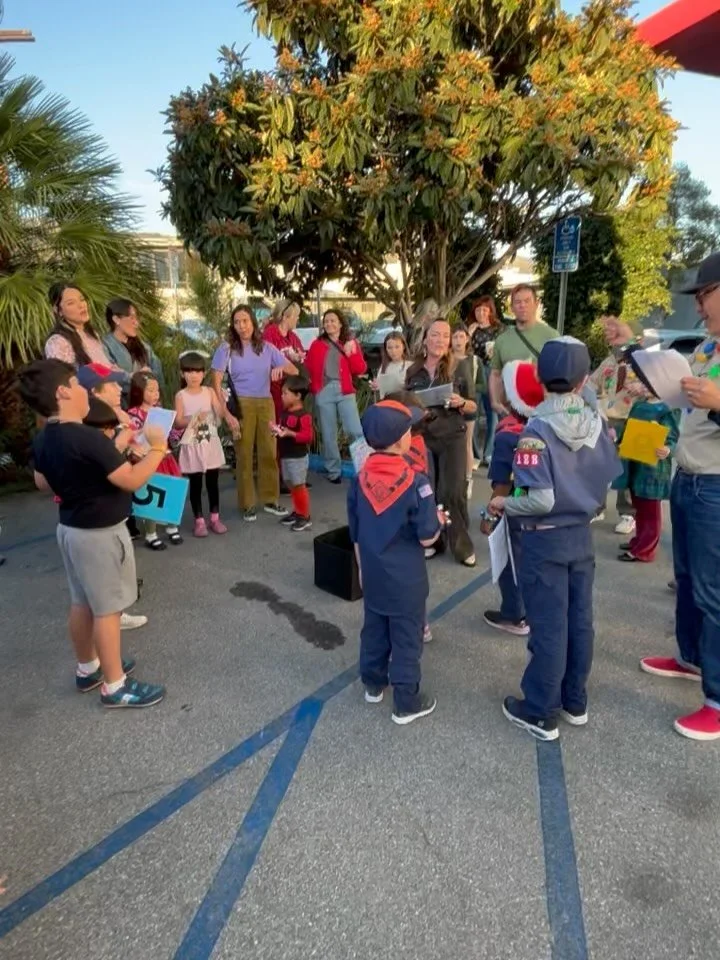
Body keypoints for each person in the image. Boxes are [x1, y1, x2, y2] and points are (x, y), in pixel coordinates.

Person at [488, 337, 621, 741]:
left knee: (548, 625)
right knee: (580, 621)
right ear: (583, 381)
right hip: (581, 537)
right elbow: (607, 478)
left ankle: (540, 709)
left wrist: (503, 503)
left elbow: (539, 498)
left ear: (540, 378)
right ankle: (574, 700)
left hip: (544, 542)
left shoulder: (535, 432)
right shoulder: (598, 424)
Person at [17, 359, 167, 708]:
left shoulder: (46, 437)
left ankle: (89, 668)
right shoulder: (86, 436)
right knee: (108, 609)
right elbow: (130, 479)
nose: (85, 390)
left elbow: (42, 482)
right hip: (100, 534)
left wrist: (109, 450)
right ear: (63, 391)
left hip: (70, 529)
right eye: (78, 383)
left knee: (82, 601)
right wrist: (157, 448)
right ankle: (115, 686)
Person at [639, 252, 720, 740]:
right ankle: (691, 658)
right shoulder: (710, 347)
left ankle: (716, 699)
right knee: (688, 579)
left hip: (715, 485)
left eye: (704, 295)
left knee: (715, 592)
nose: (700, 307)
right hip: (688, 477)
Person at [348, 399, 445, 724]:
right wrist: (439, 520)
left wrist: (362, 570)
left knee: (374, 631)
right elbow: (427, 537)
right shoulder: (416, 482)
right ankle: (406, 701)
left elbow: (357, 533)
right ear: (402, 439)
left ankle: (373, 684)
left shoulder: (359, 480)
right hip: (407, 580)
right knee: (406, 638)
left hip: (372, 573)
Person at [211, 304, 297, 520]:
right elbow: (216, 384)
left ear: (253, 322)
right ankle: (247, 504)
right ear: (233, 325)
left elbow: (294, 370)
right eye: (237, 322)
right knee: (244, 454)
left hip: (266, 403)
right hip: (241, 405)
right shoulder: (226, 349)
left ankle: (270, 500)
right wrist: (227, 415)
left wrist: (280, 368)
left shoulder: (267, 347)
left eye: (245, 321)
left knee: (269, 451)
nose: (241, 326)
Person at [480, 360, 544, 637]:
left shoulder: (509, 435)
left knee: (511, 560)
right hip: (540, 505)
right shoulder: (542, 426)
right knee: (532, 558)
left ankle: (514, 615)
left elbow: (503, 484)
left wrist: (490, 516)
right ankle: (533, 609)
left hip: (515, 506)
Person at [406, 318, 477, 566]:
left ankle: (461, 544)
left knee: (453, 491)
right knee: (428, 491)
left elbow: (473, 405)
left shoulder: (459, 367)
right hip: (424, 437)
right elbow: (407, 405)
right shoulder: (413, 371)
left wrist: (461, 403)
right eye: (435, 335)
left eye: (445, 336)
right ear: (425, 338)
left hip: (452, 437)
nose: (440, 340)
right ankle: (433, 539)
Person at [81, 396, 150, 632]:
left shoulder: (94, 446)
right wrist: (158, 449)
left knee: (99, 592)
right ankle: (110, 667)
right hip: (100, 528)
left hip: (102, 523)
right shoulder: (93, 450)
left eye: (113, 429)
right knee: (105, 599)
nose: (111, 434)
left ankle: (113, 620)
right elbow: (130, 480)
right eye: (107, 430)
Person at [612, 350, 679, 564]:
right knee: (639, 506)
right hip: (635, 463)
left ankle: (646, 549)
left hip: (653, 467)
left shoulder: (667, 408)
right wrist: (617, 439)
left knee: (651, 510)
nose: (640, 384)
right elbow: (628, 429)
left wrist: (667, 448)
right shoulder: (639, 405)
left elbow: (673, 435)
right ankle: (639, 539)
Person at [305, 308, 368, 484]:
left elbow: (360, 369)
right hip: (324, 390)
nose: (329, 324)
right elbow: (308, 367)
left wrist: (352, 352)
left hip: (344, 389)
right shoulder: (317, 345)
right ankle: (334, 471)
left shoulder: (349, 342)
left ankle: (364, 468)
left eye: (333, 320)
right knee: (328, 432)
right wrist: (315, 388)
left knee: (355, 430)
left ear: (340, 323)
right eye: (326, 321)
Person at [589, 315, 638, 535]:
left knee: (624, 468)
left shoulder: (639, 362)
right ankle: (597, 506)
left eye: (617, 336)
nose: (613, 342)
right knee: (600, 465)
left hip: (630, 418)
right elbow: (591, 383)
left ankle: (628, 513)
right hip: (608, 418)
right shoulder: (608, 362)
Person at [127, 372, 184, 550]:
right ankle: (151, 533)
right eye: (150, 390)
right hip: (147, 459)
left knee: (171, 491)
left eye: (157, 390)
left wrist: (178, 433)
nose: (155, 394)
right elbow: (133, 439)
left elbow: (170, 434)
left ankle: (172, 526)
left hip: (165, 457)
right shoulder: (133, 414)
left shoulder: (161, 411)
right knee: (151, 495)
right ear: (138, 391)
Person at [175, 352, 227, 537]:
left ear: (203, 373)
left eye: (197, 371)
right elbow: (178, 421)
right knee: (195, 484)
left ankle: (215, 518)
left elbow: (219, 413)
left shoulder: (209, 391)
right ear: (183, 374)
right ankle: (199, 521)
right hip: (192, 443)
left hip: (210, 441)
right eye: (189, 371)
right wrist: (194, 418)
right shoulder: (181, 395)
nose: (193, 375)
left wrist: (222, 399)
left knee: (213, 483)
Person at [488, 285, 558, 416]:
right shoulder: (502, 340)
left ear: (536, 304)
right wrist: (495, 402)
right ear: (512, 307)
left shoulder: (552, 336)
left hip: (544, 413)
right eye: (518, 302)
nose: (522, 306)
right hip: (511, 414)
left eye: (527, 301)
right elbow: (495, 374)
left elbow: (562, 373)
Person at [273, 375, 314, 532]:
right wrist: (276, 430)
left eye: (285, 394)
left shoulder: (304, 416)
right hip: (286, 456)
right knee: (291, 485)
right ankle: (298, 511)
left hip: (297, 457)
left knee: (299, 486)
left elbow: (308, 436)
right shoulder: (285, 413)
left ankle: (304, 516)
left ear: (297, 396)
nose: (282, 396)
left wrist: (290, 433)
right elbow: (284, 431)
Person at [466, 295, 503, 466]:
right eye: (478, 309)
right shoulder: (470, 329)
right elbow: (462, 349)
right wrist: (469, 333)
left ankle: (489, 452)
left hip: (492, 370)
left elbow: (504, 350)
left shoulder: (498, 329)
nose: (481, 313)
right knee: (472, 410)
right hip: (474, 370)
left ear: (490, 312)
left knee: (492, 413)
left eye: (485, 310)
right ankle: (475, 454)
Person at [44, 283, 115, 367]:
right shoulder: (57, 342)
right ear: (58, 310)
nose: (81, 305)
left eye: (82, 299)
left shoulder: (92, 333)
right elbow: (63, 377)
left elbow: (108, 365)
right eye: (71, 303)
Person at [103, 298, 164, 391]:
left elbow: (157, 372)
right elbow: (107, 374)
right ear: (116, 319)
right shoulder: (105, 345)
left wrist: (150, 376)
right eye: (132, 318)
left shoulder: (144, 346)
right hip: (119, 402)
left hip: (145, 402)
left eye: (136, 318)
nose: (136, 323)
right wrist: (135, 377)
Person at [262, 299, 306, 420]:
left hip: (290, 394)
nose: (298, 319)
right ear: (286, 317)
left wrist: (299, 358)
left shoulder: (293, 337)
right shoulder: (269, 334)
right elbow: (265, 361)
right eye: (296, 316)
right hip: (274, 393)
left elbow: (302, 361)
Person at [450, 325, 478, 492]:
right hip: (451, 409)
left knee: (467, 443)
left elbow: (481, 384)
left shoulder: (473, 361)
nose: (458, 341)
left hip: (468, 405)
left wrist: (466, 393)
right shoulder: (445, 359)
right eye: (455, 337)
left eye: (461, 337)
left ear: (467, 339)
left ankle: (468, 479)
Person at [374, 332, 412, 398]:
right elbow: (380, 388)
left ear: (404, 347)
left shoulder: (410, 365)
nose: (393, 351)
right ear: (386, 349)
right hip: (387, 404)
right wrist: (376, 386)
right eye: (389, 348)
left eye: (397, 347)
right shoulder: (383, 367)